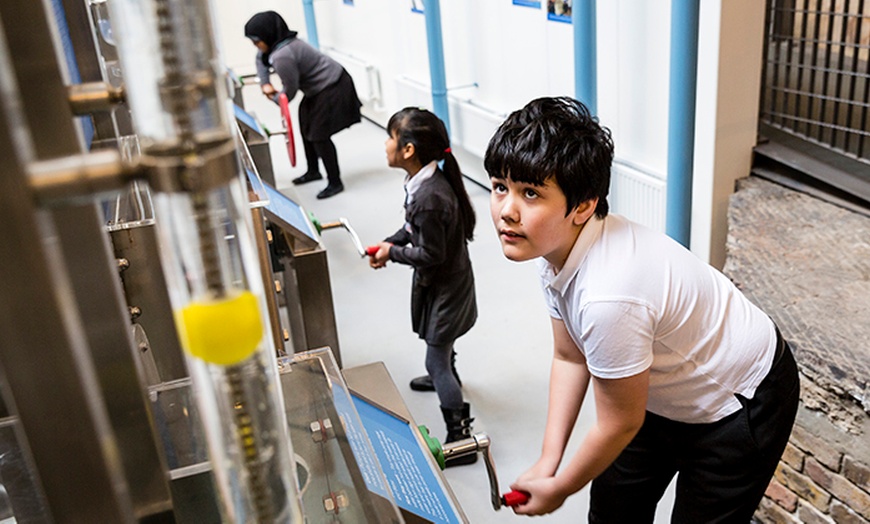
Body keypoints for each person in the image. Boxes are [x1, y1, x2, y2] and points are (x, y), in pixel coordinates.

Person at [484, 97, 799, 521]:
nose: (507, 211)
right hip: (658, 389)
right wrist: (548, 460)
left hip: (741, 397)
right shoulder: (558, 254)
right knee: (613, 511)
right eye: (500, 187)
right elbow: (569, 356)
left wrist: (561, 488)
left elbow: (619, 422)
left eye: (531, 193)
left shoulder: (608, 298)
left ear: (583, 206)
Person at [368, 107, 478, 466]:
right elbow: (412, 229)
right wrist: (390, 244)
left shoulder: (430, 195)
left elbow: (429, 252)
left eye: (390, 137)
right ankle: (448, 372)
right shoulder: (425, 181)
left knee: (435, 360)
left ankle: (460, 438)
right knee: (443, 345)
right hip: (449, 280)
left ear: (409, 150)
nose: (386, 144)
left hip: (445, 285)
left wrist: (393, 252)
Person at [244, 11, 361, 199]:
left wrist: (273, 98)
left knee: (318, 134)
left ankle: (335, 182)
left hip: (333, 85)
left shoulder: (282, 55)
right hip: (317, 88)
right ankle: (313, 171)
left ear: (267, 35)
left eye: (257, 41)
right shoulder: (277, 45)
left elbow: (289, 91)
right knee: (305, 125)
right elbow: (260, 58)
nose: (256, 46)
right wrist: (265, 82)